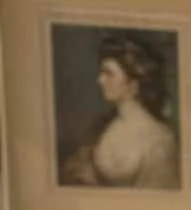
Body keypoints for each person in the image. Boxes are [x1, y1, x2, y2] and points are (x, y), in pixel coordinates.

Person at [60, 34, 180, 190]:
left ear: (134, 83)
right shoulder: (104, 125)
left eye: (108, 73)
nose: (100, 80)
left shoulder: (159, 140)